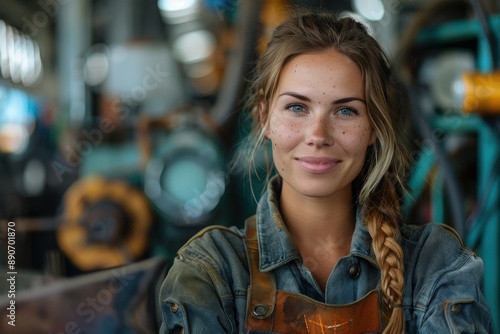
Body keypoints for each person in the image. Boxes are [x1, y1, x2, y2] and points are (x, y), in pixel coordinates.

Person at [158, 8, 492, 334]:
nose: (318, 135)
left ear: (374, 126)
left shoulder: (436, 265)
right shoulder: (212, 271)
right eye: (297, 107)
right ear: (264, 118)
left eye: (345, 110)